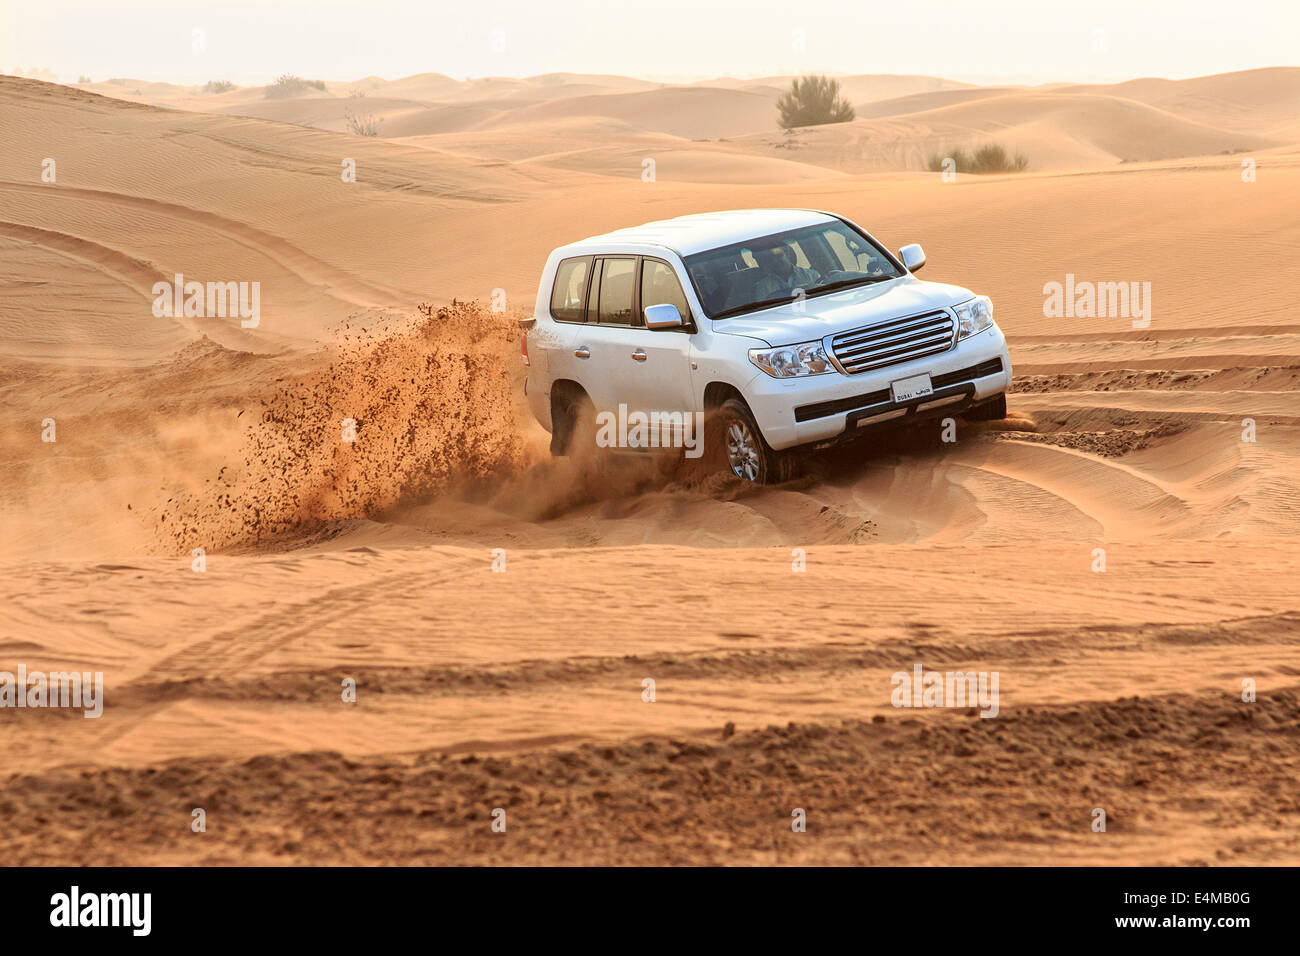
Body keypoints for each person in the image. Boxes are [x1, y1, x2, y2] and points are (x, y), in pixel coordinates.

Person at [754, 243, 821, 300]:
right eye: (770, 259)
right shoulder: (763, 287)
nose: (775, 261)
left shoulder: (812, 275)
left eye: (778, 256)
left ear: (788, 254)